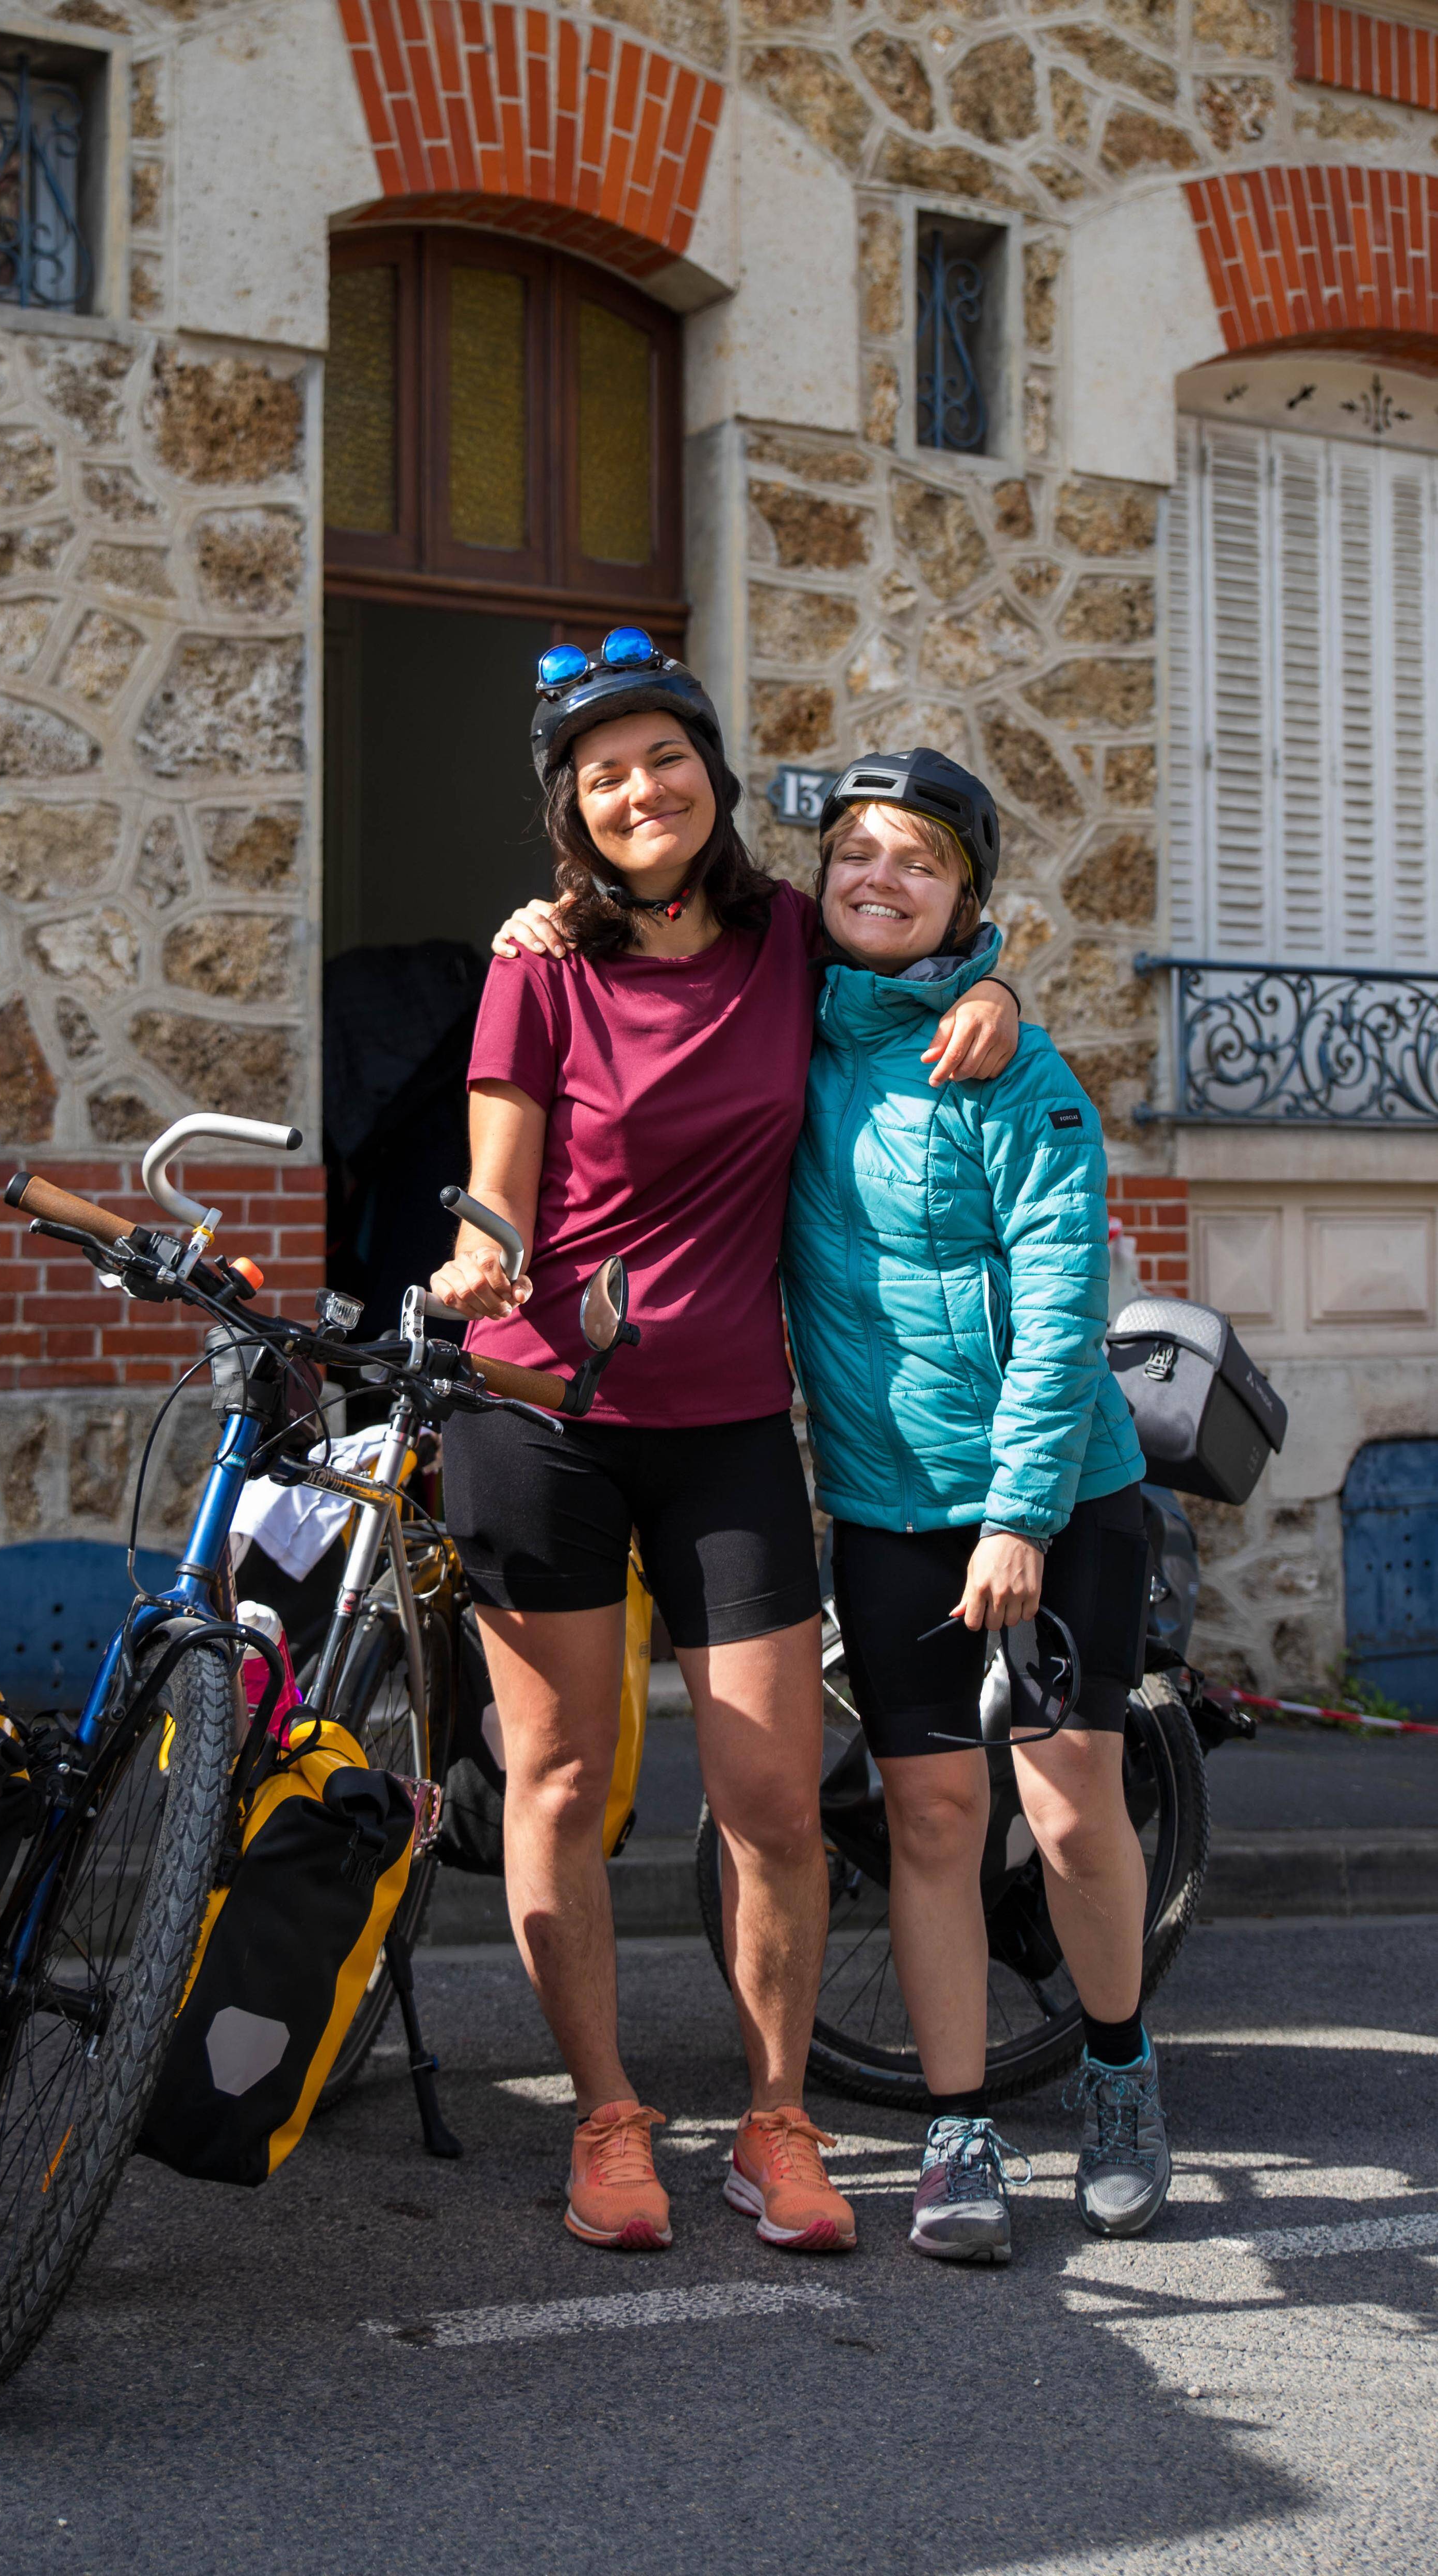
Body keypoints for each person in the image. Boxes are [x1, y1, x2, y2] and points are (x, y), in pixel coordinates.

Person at [432, 633, 1022, 2256]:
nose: (641, 790)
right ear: (573, 806)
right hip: (537, 1413)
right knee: (558, 1779)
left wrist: (993, 985)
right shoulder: (537, 960)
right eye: (604, 773)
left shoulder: (782, 944)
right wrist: (483, 1256)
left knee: (768, 1790)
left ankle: (776, 2120)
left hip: (728, 1427)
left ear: (711, 769)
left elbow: (916, 926)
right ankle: (609, 2123)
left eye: (663, 757)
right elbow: (499, 1173)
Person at [780, 751, 1166, 2265]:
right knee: (933, 1817)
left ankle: (1123, 2075)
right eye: (854, 854)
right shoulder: (786, 1039)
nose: (879, 879)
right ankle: (957, 2136)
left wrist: (1017, 1516)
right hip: (884, 1503)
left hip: (1059, 1498)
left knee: (1068, 1813)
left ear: (966, 897)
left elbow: (1069, 1300)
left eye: (917, 862)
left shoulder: (1008, 1064)